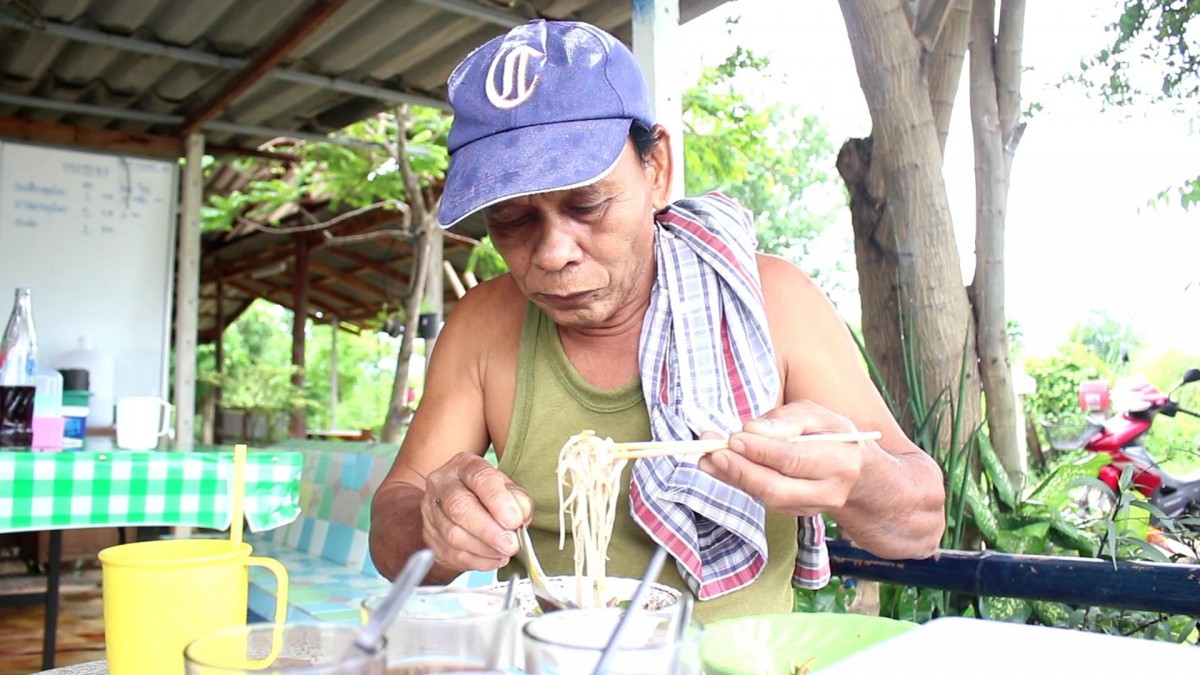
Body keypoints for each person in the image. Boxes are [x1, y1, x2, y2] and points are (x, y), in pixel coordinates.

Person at [369, 18, 945, 623]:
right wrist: (434, 526)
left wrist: (855, 479)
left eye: (586, 203)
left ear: (657, 167)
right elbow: (391, 529)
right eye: (512, 220)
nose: (552, 253)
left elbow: (920, 524)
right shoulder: (483, 326)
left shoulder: (771, 304)